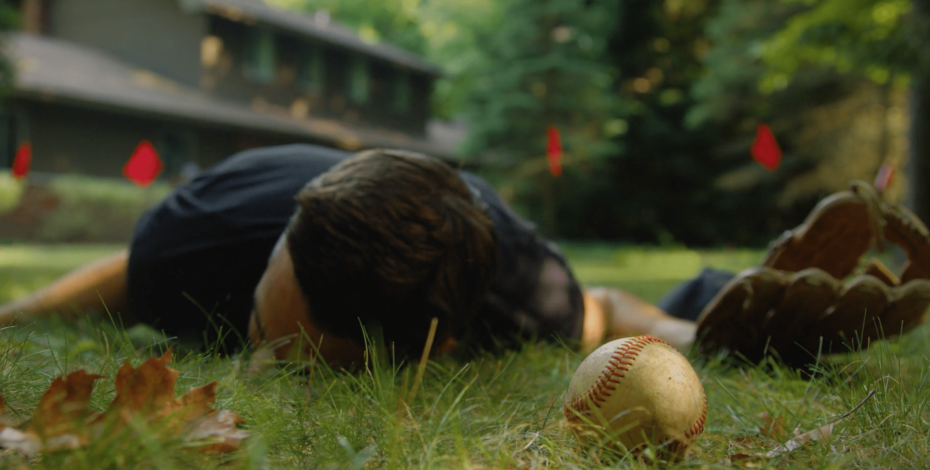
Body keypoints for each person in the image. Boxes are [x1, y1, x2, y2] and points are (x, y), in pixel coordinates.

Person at [0, 145, 926, 369]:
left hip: (460, 216)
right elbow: (125, 278)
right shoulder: (197, 238)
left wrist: (698, 340)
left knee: (588, 316)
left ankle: (717, 303)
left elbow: (598, 307)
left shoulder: (503, 288)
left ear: (419, 354)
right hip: (317, 187)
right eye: (260, 328)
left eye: (299, 359)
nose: (262, 365)